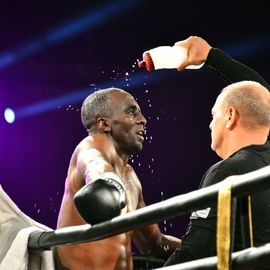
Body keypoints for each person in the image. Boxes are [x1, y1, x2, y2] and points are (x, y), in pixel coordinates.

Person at [164, 36, 270, 266]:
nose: (210, 125)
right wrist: (211, 56)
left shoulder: (227, 172)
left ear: (231, 116)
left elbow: (192, 257)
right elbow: (263, 100)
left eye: (214, 115)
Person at [55, 88, 180, 270]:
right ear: (104, 124)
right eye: (131, 112)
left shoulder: (130, 177)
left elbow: (154, 244)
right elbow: (95, 166)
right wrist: (107, 181)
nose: (143, 120)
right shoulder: (88, 147)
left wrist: (205, 248)